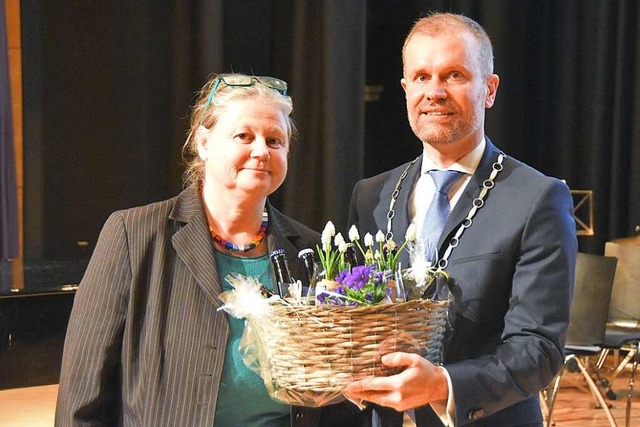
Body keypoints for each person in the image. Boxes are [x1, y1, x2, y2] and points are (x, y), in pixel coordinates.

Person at [55, 73, 364, 426]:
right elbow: (83, 394)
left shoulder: (311, 250)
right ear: (203, 144)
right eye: (244, 136)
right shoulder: (133, 235)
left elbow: (335, 393)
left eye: (275, 140)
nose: (261, 151)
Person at [344, 13, 577, 426]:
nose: (433, 91)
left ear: (489, 89)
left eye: (453, 75)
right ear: (404, 90)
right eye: (420, 77)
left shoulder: (538, 198)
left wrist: (443, 385)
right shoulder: (371, 196)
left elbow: (538, 348)